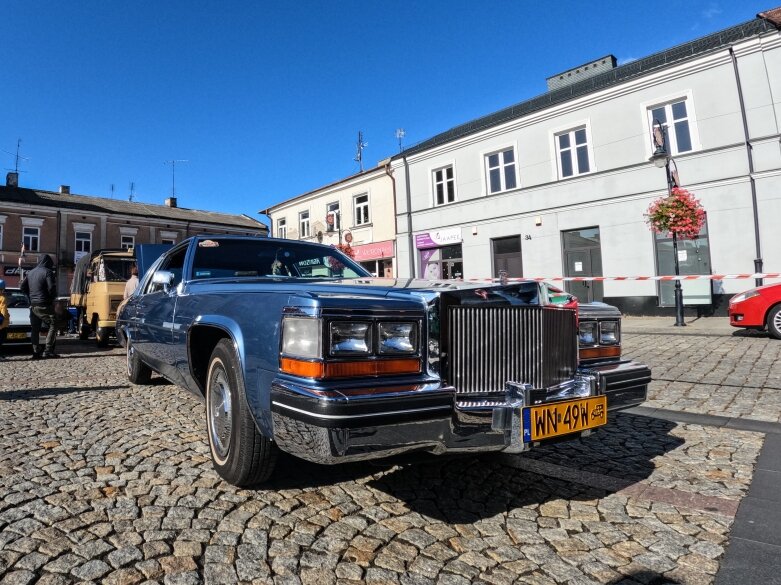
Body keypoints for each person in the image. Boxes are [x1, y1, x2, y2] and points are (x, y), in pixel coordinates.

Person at [20, 254, 58, 359]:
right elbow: (51, 288)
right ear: (48, 262)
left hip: (33, 305)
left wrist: (29, 297)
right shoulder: (48, 272)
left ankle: (35, 352)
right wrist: (51, 298)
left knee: (35, 329)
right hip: (44, 304)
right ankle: (48, 350)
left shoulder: (31, 272)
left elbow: (22, 287)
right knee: (53, 324)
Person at [0, 279, 9, 358]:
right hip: (2, 323)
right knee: (2, 338)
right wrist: (2, 319)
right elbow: (3, 310)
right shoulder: (2, 298)